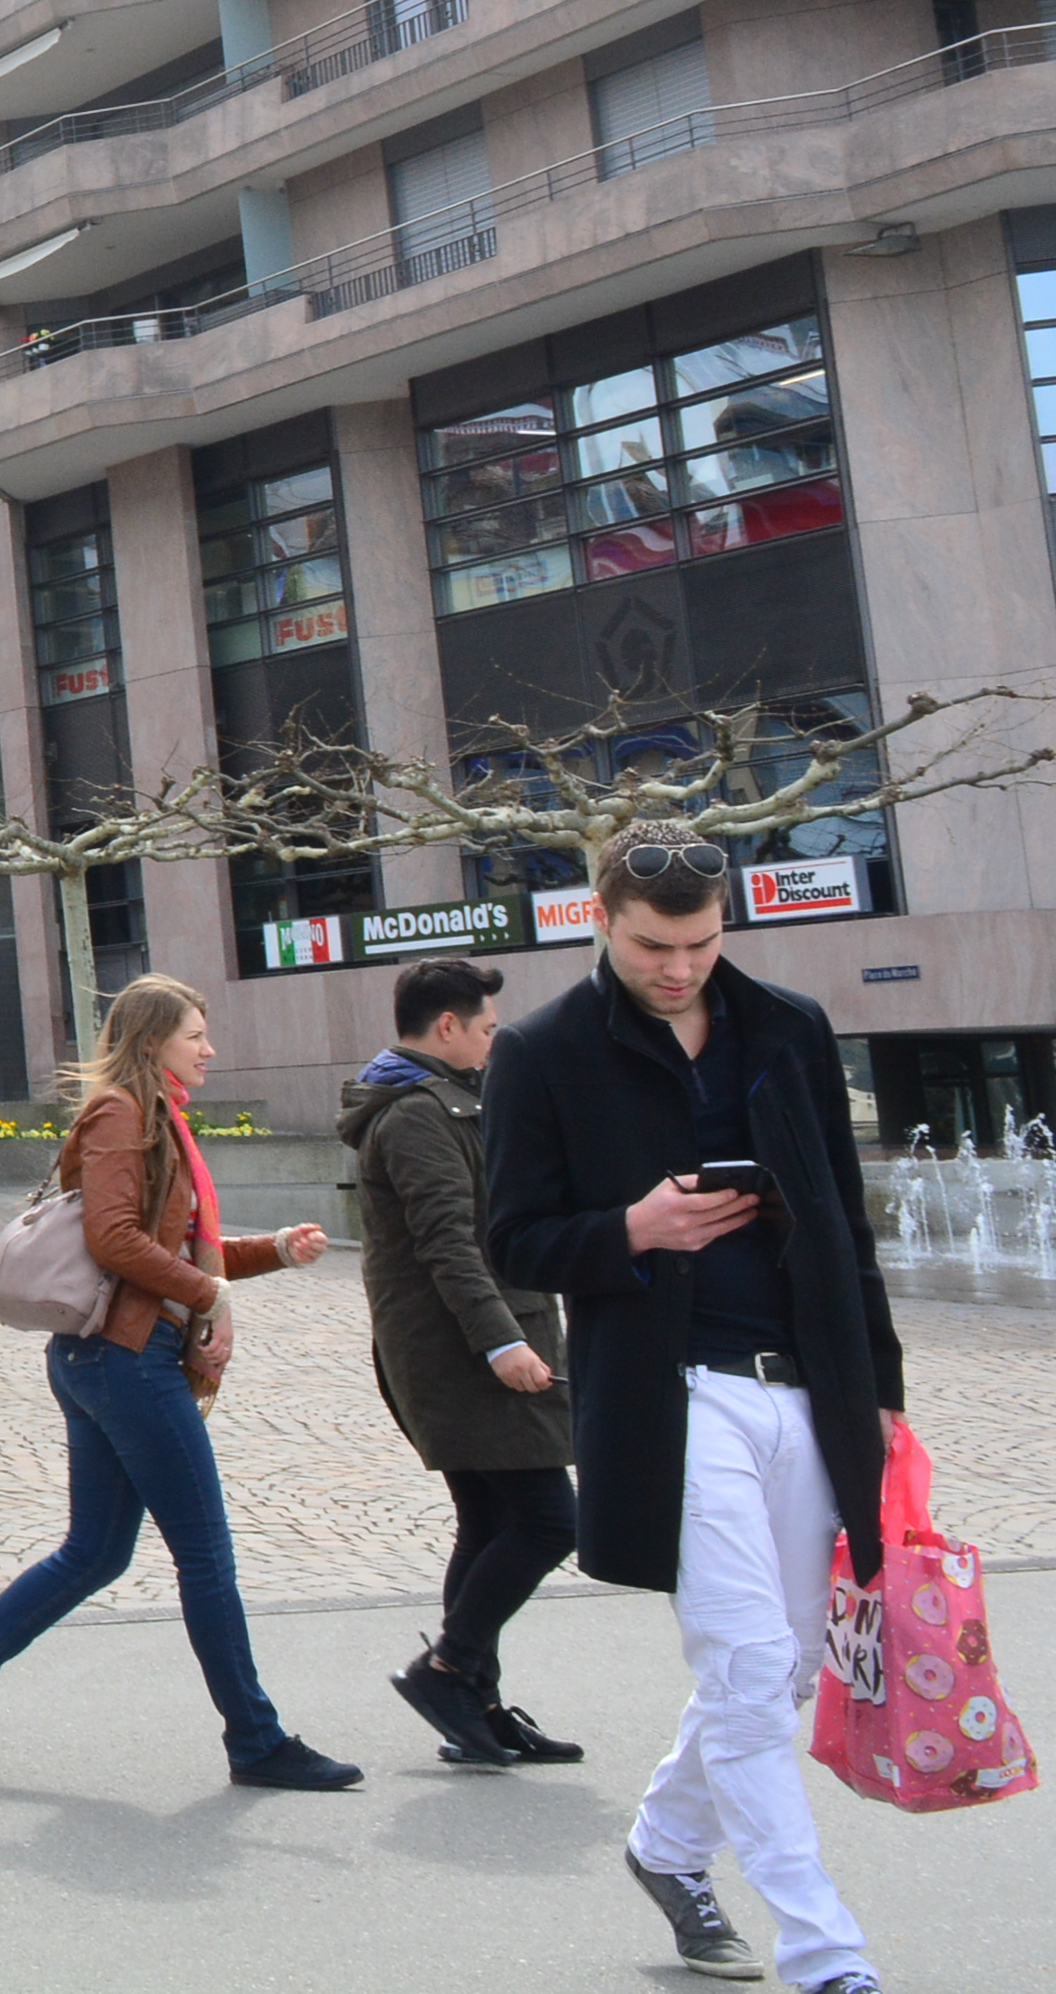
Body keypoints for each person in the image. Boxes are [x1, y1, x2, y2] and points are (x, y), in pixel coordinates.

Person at [485, 826, 901, 1994]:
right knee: (742, 1657)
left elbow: (844, 1227)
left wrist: (878, 1392)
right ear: (597, 920)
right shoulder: (540, 1050)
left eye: (700, 943)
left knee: (791, 1664)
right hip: (670, 1401)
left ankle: (665, 1847)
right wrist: (630, 1227)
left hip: (808, 1389)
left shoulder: (789, 1029)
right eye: (650, 945)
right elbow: (510, 1238)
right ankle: (825, 1949)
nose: (677, 967)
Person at [0, 973, 357, 1791]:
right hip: (123, 1361)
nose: (210, 1048)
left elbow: (169, 1254)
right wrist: (209, 1291)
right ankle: (256, 1740)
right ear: (152, 1043)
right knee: (205, 1557)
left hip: (107, 1358)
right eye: (194, 1035)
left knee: (98, 1551)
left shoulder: (160, 1120)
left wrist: (273, 1251)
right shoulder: (123, 1114)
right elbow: (113, 1242)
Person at [341, 956, 581, 1765]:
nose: (491, 1042)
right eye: (483, 1028)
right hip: (463, 1355)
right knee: (550, 1520)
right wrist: (502, 1342)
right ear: (447, 1028)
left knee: (490, 1522)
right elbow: (447, 1241)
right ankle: (447, 1670)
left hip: (467, 1346)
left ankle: (476, 1706)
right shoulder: (415, 1114)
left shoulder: (445, 1100)